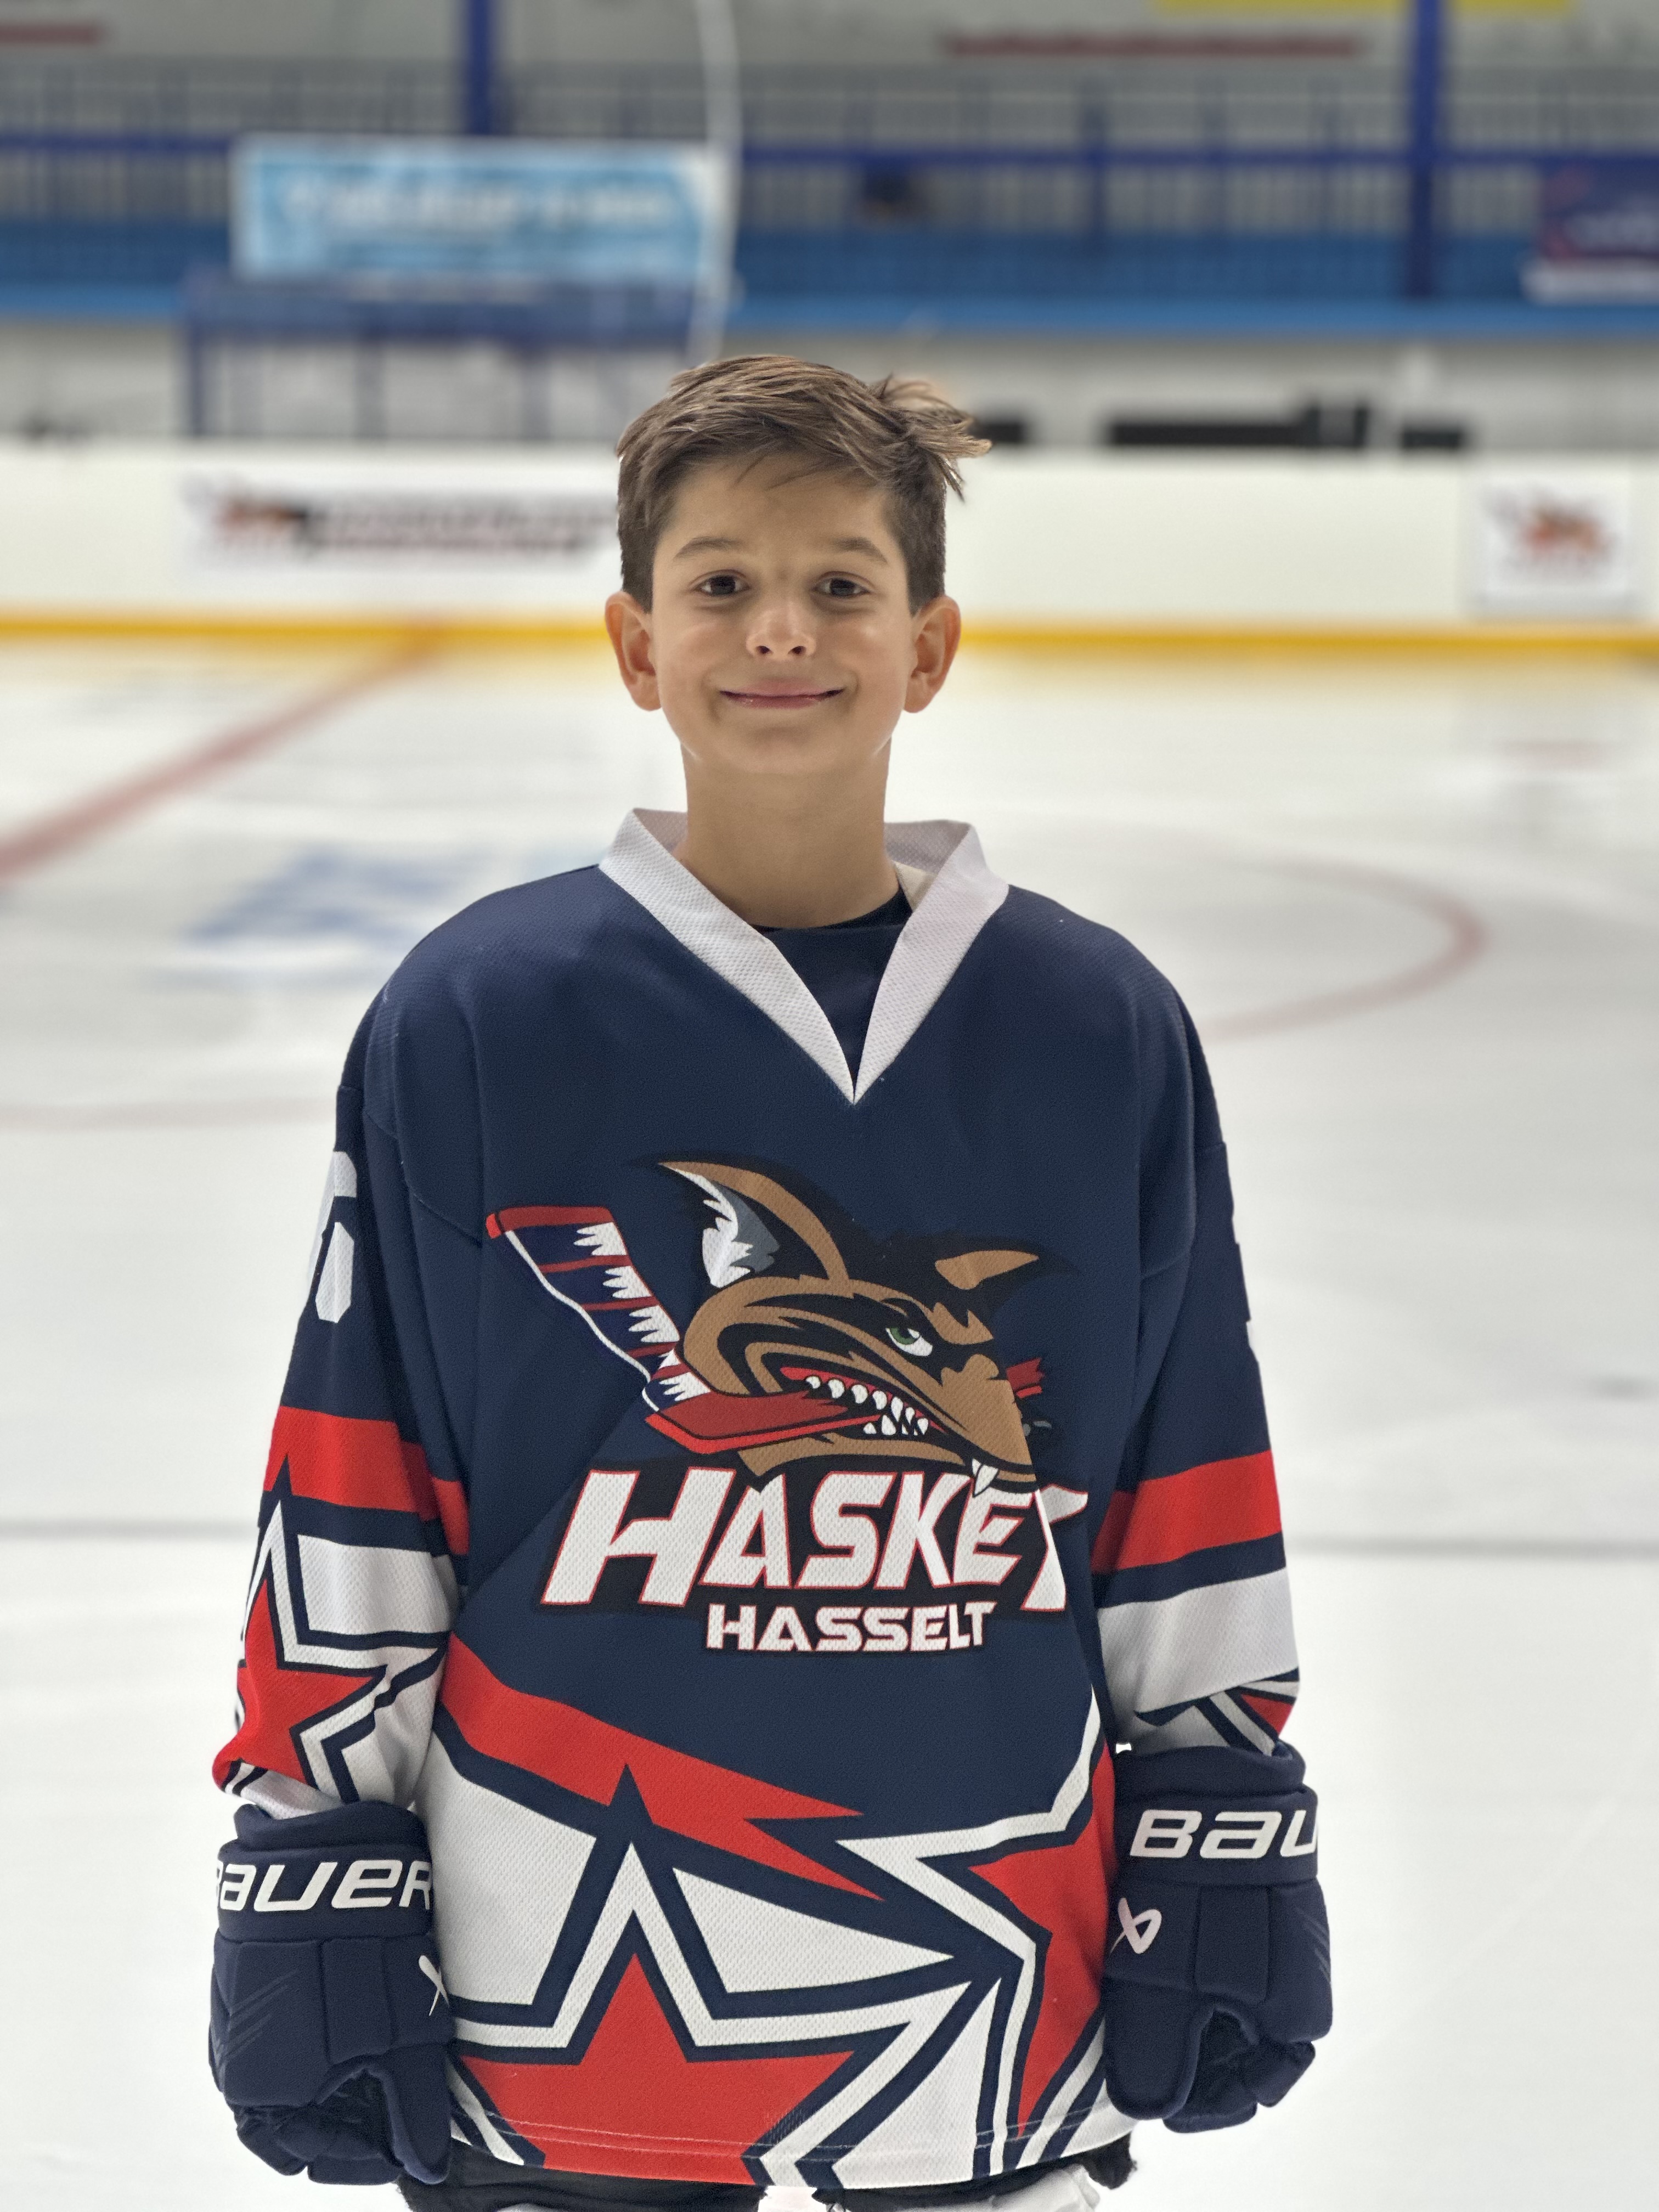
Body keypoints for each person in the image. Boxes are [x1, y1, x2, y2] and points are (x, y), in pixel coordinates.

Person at [207, 356, 1331, 2212]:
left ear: (930, 645)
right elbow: (360, 1471)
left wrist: (1223, 1808)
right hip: (558, 1970)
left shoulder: (1095, 1029)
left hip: (994, 1968)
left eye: (839, 584)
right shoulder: (478, 1020)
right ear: (636, 646)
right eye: (721, 583)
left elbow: (1183, 1458)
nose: (781, 630)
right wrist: (312, 1847)